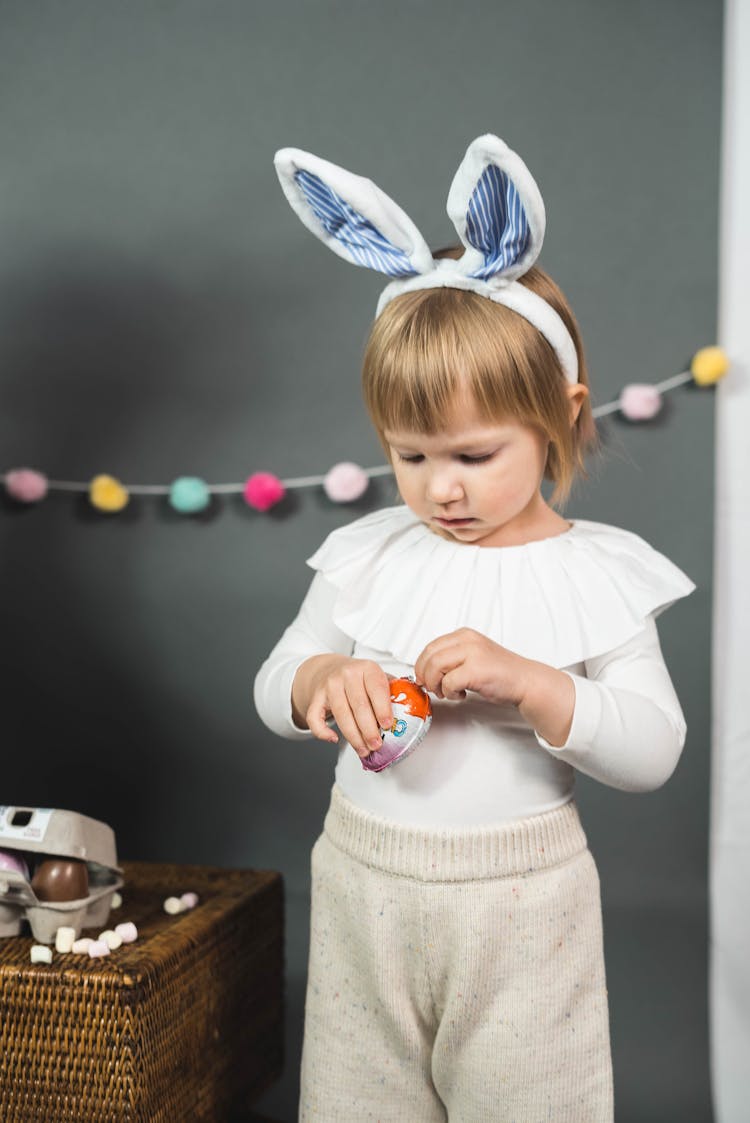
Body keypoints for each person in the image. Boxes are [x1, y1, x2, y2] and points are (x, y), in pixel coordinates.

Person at [254, 135, 694, 1122]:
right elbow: (273, 676)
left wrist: (536, 684)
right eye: (408, 456)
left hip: (520, 913)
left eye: (473, 453)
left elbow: (655, 746)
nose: (438, 488)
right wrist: (322, 676)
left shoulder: (591, 572)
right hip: (364, 888)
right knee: (355, 1100)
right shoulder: (375, 550)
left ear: (563, 416)